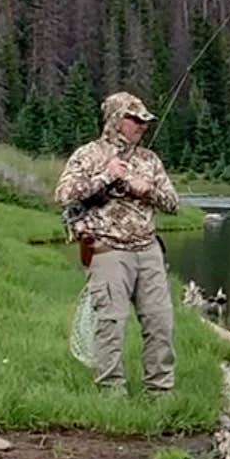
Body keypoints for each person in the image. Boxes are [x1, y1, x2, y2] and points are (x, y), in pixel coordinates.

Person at [56, 92, 181, 394]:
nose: (142, 126)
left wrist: (146, 190)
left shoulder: (149, 160)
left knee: (160, 324)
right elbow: (64, 195)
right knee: (110, 325)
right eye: (135, 120)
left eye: (144, 121)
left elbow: (173, 204)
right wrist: (106, 176)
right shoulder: (88, 155)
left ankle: (160, 393)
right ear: (116, 120)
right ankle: (112, 394)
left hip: (148, 250)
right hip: (107, 251)